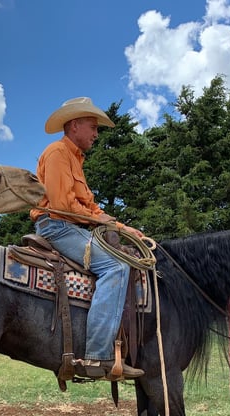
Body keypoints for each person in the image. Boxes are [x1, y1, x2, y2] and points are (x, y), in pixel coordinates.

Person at [30, 97, 145, 381]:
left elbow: (91, 208)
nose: (96, 134)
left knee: (122, 257)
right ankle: (96, 357)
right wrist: (102, 221)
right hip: (57, 227)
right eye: (93, 127)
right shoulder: (57, 152)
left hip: (72, 228)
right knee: (117, 267)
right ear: (74, 125)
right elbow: (61, 204)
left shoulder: (75, 160)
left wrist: (124, 228)